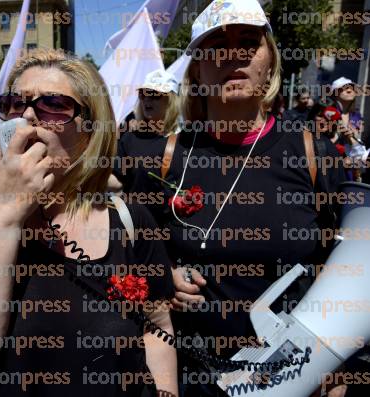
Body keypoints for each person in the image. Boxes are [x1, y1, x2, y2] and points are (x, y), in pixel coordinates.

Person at [0, 49, 178, 397]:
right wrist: (4, 213)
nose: (27, 116)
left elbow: (157, 328)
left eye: (53, 105)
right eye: (15, 103)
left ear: (91, 130)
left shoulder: (130, 220)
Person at [129, 1, 346, 395]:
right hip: (188, 378)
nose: (234, 55)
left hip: (292, 380)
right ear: (197, 68)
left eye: (249, 42)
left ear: (270, 60)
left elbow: (347, 272)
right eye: (216, 46)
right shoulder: (165, 158)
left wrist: (336, 372)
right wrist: (163, 280)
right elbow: (131, 261)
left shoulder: (315, 156)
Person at [109, 69, 181, 209]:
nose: (147, 99)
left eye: (154, 94)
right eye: (143, 94)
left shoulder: (186, 140)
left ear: (171, 99)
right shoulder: (130, 138)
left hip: (171, 225)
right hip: (136, 224)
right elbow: (117, 181)